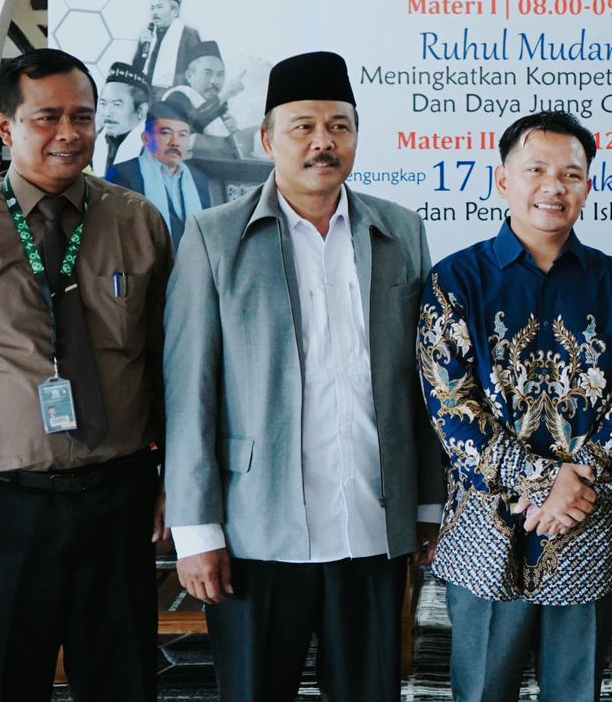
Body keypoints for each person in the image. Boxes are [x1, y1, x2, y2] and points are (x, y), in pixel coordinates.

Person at [163, 51, 444, 701]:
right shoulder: (214, 237)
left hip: (370, 523)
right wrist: (196, 531)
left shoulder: (400, 231)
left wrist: (427, 502)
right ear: (267, 140)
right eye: (304, 127)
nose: (324, 142)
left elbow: (425, 381)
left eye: (340, 126)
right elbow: (188, 392)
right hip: (256, 529)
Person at [0, 48, 173, 701]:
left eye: (82, 116)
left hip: (118, 501)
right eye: (47, 117)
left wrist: (176, 483)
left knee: (122, 683)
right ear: (5, 126)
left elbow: (168, 363)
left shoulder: (137, 220)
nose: (69, 133)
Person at [417, 110, 612, 702]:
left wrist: (577, 486)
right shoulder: (455, 281)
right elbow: (451, 408)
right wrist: (549, 483)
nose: (554, 186)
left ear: (588, 188)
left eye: (571, 174)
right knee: (483, 690)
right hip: (486, 528)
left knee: (575, 690)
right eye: (536, 170)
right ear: (503, 181)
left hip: (584, 527)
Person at [105, 100, 212, 246]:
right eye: (166, 133)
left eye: (182, 135)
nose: (175, 142)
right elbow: (113, 237)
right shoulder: (121, 174)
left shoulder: (199, 180)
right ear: (146, 138)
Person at [131, 0, 203, 91]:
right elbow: (136, 70)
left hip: (174, 95)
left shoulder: (188, 34)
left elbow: (196, 73)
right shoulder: (150, 34)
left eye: (159, 7)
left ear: (174, 12)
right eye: (152, 8)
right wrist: (141, 46)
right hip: (147, 93)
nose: (154, 12)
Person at [172, 40, 243, 136]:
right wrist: (222, 96)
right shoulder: (176, 96)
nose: (214, 81)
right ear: (189, 76)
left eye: (220, 74)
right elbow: (191, 124)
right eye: (207, 74)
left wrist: (231, 130)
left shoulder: (220, 106)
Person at [93, 61, 151, 172]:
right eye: (103, 103)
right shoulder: (95, 142)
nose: (107, 112)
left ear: (141, 111)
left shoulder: (153, 151)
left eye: (117, 104)